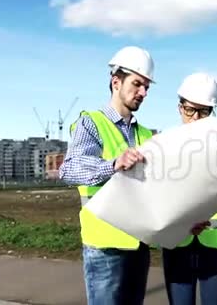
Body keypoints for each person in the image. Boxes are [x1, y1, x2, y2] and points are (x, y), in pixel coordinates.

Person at [59, 46, 156, 305]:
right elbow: (69, 168)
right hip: (105, 248)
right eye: (137, 84)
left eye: (147, 87)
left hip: (139, 245)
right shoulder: (91, 123)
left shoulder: (146, 134)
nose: (143, 93)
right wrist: (113, 163)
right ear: (116, 82)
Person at [162, 72, 217, 305]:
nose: (197, 118)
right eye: (191, 110)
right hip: (178, 239)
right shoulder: (164, 145)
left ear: (213, 111)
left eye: (204, 111)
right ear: (180, 108)